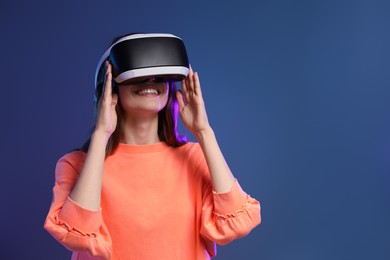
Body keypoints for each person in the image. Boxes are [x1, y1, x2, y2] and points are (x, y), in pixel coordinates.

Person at [44, 33, 261, 260]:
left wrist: (204, 131)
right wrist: (101, 134)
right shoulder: (76, 164)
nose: (150, 82)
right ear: (110, 86)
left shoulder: (194, 157)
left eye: (159, 77)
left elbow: (237, 222)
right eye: (138, 76)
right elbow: (77, 234)